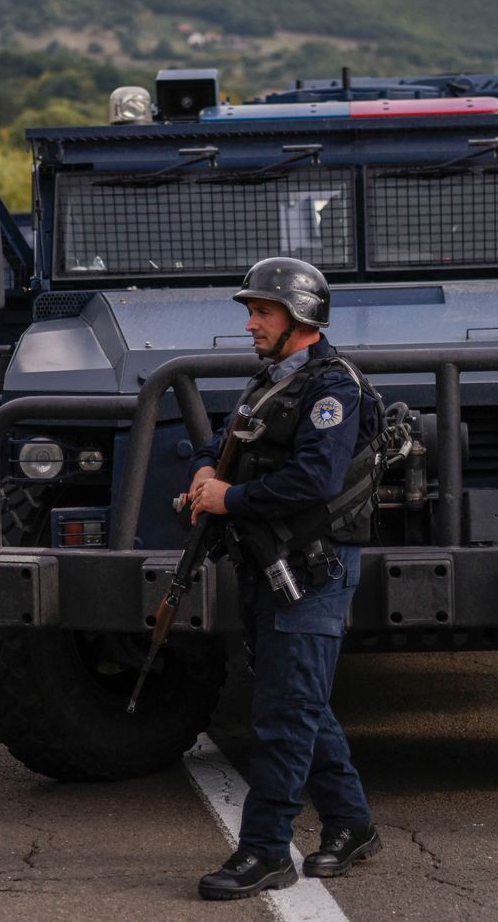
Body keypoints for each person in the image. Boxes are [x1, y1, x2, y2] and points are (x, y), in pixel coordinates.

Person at [188, 257, 383, 900]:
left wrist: (230, 501)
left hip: (315, 568)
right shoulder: (271, 380)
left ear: (301, 319)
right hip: (272, 568)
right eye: (251, 311)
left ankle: (266, 851)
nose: (249, 323)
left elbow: (315, 481)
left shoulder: (334, 388)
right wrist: (203, 473)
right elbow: (231, 444)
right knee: (300, 701)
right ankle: (352, 824)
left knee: (283, 715)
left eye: (261, 312)